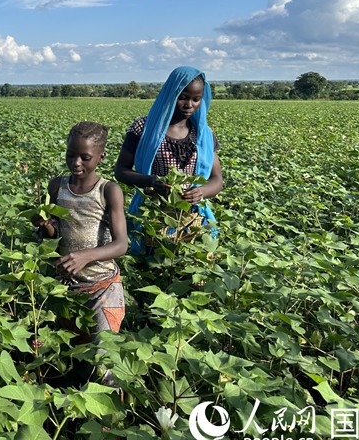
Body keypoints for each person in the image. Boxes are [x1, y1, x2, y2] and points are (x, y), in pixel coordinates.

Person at [34, 121, 128, 385]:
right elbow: (56, 231)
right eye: (70, 155)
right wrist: (45, 228)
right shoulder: (57, 186)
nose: (76, 163)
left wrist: (86, 256)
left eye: (85, 157)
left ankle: (109, 418)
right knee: (69, 354)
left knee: (102, 362)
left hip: (102, 287)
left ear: (100, 157)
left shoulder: (108, 191)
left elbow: (121, 244)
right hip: (66, 288)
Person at [114, 65, 223, 254]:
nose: (189, 105)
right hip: (153, 215)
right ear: (171, 94)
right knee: (152, 267)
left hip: (194, 219)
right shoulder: (143, 128)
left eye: (196, 99)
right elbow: (121, 171)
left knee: (192, 274)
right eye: (183, 97)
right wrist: (151, 182)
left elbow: (217, 179)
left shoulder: (204, 134)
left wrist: (201, 192)